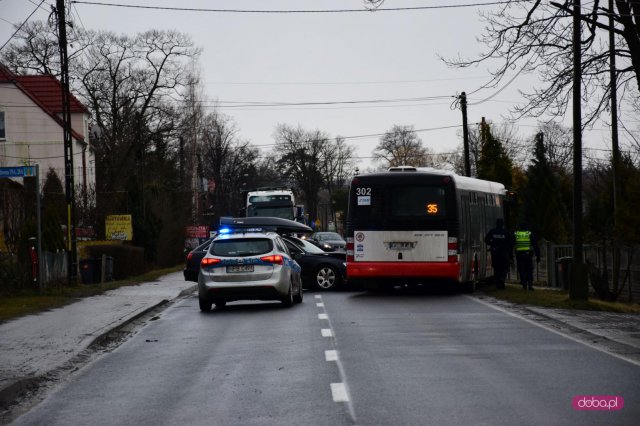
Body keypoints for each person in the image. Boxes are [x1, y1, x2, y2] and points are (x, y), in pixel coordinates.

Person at [484, 218, 513, 289]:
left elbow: (486, 239)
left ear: (496, 224)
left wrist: (492, 244)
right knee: (505, 267)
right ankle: (502, 279)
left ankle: (498, 284)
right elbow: (510, 243)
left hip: (495, 252)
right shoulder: (506, 232)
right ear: (503, 224)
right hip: (504, 253)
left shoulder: (492, 231)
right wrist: (509, 253)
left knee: (496, 268)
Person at [514, 223, 540, 290]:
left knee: (522, 270)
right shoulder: (529, 234)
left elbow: (511, 244)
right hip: (528, 255)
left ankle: (524, 283)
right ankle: (530, 285)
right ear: (527, 228)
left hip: (519, 255)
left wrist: (510, 255)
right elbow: (536, 246)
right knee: (529, 270)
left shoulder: (517, 234)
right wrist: (538, 256)